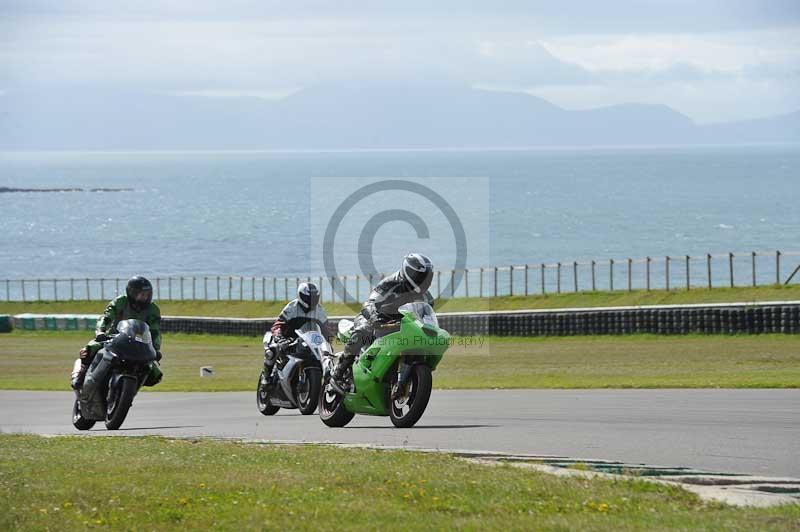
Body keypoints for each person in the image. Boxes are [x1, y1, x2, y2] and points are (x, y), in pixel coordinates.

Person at [330, 253, 435, 393]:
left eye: (426, 277)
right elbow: (369, 302)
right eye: (420, 276)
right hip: (374, 319)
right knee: (362, 331)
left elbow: (425, 317)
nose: (423, 280)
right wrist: (373, 316)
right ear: (408, 272)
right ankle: (339, 371)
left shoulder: (427, 298)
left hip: (399, 326)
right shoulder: (391, 283)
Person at [71, 276, 162, 389]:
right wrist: (100, 332)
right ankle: (81, 374)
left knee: (155, 373)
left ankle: (131, 389)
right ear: (132, 293)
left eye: (147, 294)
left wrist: (155, 348)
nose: (145, 297)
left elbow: (155, 331)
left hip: (139, 343)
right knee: (91, 348)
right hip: (114, 339)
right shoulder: (121, 301)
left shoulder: (153, 309)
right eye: (142, 294)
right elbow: (106, 317)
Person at [264, 282, 329, 375]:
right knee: (272, 350)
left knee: (326, 362)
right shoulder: (291, 308)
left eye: (314, 298)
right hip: (289, 341)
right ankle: (266, 378)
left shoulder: (320, 311)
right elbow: (277, 325)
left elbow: (326, 331)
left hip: (311, 343)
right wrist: (279, 337)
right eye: (308, 298)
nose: (311, 301)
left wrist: (328, 343)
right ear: (301, 296)